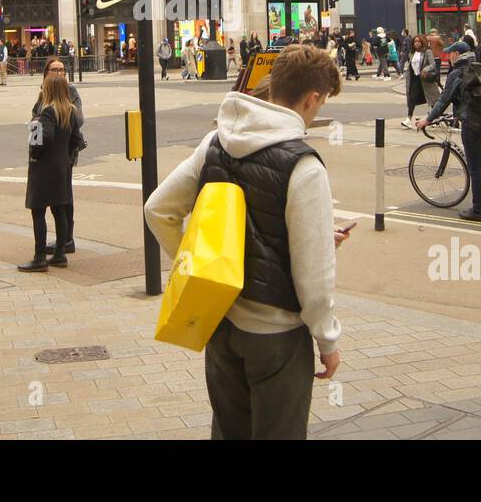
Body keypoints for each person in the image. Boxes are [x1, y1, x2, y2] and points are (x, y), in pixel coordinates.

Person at [145, 44, 344, 439]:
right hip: (277, 336)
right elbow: (313, 276)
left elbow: (157, 209)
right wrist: (327, 339)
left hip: (222, 324)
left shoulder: (214, 143)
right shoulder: (303, 166)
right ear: (312, 97)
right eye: (320, 104)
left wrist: (196, 264)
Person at [415, 41, 481, 222]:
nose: (448, 57)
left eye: (450, 54)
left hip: (470, 122)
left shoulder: (457, 73)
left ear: (457, 54)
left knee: (474, 169)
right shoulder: (476, 68)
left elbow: (443, 101)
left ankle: (478, 210)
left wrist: (427, 120)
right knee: (478, 152)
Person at [19, 70, 81, 273]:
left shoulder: (46, 112)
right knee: (59, 209)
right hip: (62, 166)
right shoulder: (71, 111)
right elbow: (76, 140)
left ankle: (39, 257)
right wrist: (67, 157)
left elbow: (40, 140)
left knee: (38, 210)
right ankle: (60, 253)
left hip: (44, 168)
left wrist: (33, 152)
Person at [36, 57, 84, 257]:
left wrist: (34, 150)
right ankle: (62, 246)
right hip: (57, 154)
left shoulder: (70, 93)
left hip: (60, 154)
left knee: (62, 199)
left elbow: (77, 122)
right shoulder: (42, 95)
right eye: (54, 69)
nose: (58, 73)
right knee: (59, 199)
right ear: (46, 73)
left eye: (62, 69)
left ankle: (66, 241)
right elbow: (34, 121)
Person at [403, 34, 439, 121]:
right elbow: (411, 66)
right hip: (415, 79)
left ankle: (437, 117)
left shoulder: (427, 52)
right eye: (415, 41)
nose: (417, 43)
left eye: (419, 41)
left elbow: (433, 64)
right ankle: (408, 119)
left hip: (425, 79)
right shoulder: (412, 53)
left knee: (432, 100)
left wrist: (425, 69)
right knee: (412, 98)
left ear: (422, 42)